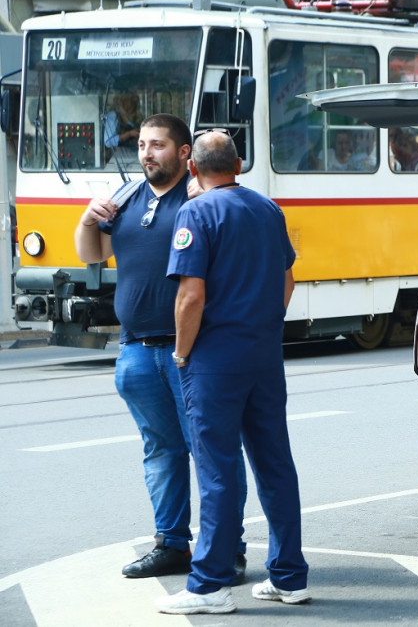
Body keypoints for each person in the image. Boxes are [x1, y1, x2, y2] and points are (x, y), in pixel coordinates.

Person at [74, 114, 248, 581]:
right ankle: (171, 543)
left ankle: (227, 545)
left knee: (214, 451)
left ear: (185, 153)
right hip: (136, 350)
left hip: (193, 351)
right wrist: (88, 218)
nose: (147, 153)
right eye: (143, 145)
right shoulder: (127, 199)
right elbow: (92, 254)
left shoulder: (201, 200)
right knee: (161, 451)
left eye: (158, 145)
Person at [155, 131, 308, 614]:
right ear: (238, 164)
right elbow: (287, 278)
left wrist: (182, 352)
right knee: (275, 464)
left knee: (218, 469)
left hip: (215, 360)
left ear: (194, 170)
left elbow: (191, 295)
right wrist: (261, 323)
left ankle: (209, 585)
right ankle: (289, 577)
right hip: (263, 354)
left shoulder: (195, 213)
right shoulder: (267, 209)